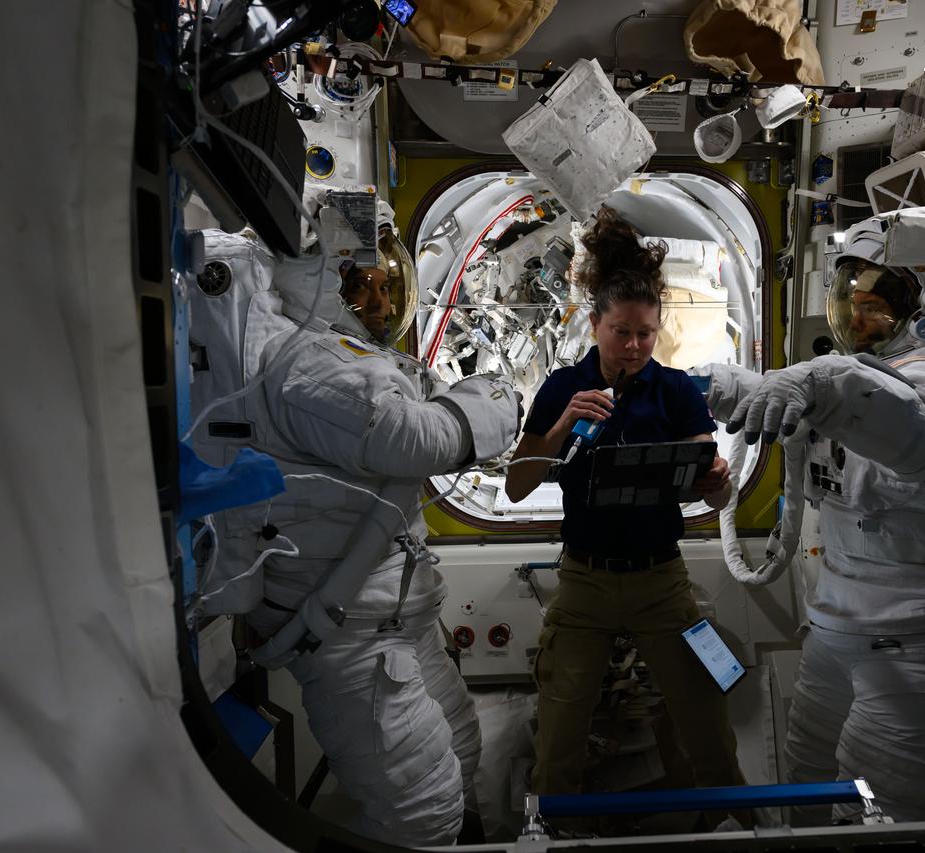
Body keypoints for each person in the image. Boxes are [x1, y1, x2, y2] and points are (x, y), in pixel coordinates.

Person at [193, 202, 520, 846]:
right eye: (360, 286)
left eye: (388, 287)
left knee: (465, 754)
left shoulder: (346, 359)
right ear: (321, 280)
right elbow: (412, 436)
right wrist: (498, 394)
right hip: (353, 644)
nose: (377, 304)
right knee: (423, 818)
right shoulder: (301, 364)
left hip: (398, 625)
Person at [704, 207, 925, 823]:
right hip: (836, 625)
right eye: (849, 298)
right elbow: (837, 403)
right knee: (802, 783)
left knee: (881, 815)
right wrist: (720, 389)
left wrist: (825, 380)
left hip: (915, 641)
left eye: (878, 303)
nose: (857, 318)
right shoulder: (860, 377)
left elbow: (912, 433)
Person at [504, 206, 747, 810]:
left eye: (645, 333)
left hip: (662, 580)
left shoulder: (678, 391)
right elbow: (515, 487)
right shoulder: (563, 386)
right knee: (562, 721)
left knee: (703, 714)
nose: (635, 346)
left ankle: (727, 824)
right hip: (584, 581)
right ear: (595, 325)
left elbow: (709, 489)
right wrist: (564, 422)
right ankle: (552, 831)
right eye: (622, 332)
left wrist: (717, 478)